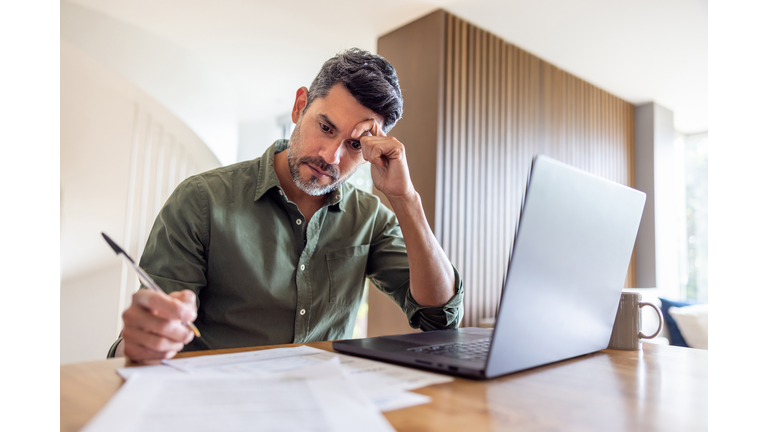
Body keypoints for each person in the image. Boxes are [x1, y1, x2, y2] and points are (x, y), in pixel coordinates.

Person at [109, 48, 464, 362]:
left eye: (355, 146)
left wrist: (405, 199)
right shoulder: (201, 200)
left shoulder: (370, 218)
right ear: (299, 107)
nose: (331, 156)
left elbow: (440, 318)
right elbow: (151, 333)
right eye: (325, 126)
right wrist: (142, 342)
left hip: (318, 409)